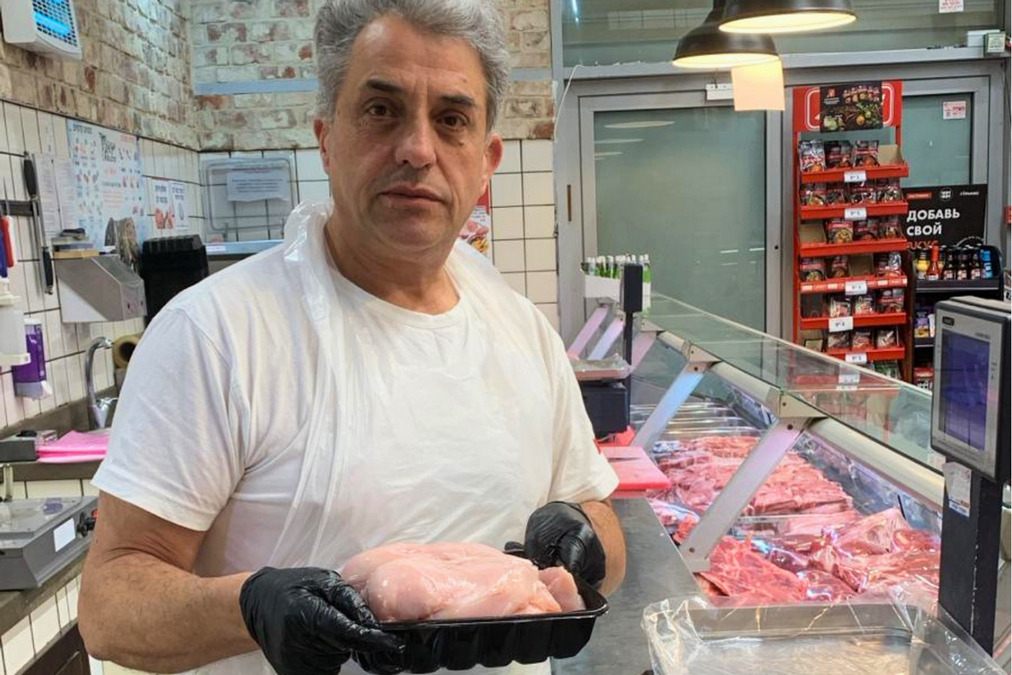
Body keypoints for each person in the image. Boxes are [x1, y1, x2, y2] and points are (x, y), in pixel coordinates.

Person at [78, 1, 625, 673]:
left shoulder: (521, 330)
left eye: (451, 119)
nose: (417, 149)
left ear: (487, 161)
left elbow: (602, 522)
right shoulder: (216, 333)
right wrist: (251, 608)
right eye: (381, 110)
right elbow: (109, 605)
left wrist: (585, 539)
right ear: (326, 138)